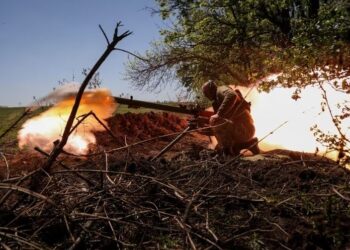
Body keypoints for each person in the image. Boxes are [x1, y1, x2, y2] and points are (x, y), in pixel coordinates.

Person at [202, 80, 260, 155]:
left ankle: (228, 152)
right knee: (219, 148)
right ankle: (250, 144)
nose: (205, 95)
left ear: (210, 89)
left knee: (216, 124)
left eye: (205, 92)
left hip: (244, 129)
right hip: (244, 131)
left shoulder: (220, 90)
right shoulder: (217, 100)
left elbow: (232, 95)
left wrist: (219, 114)